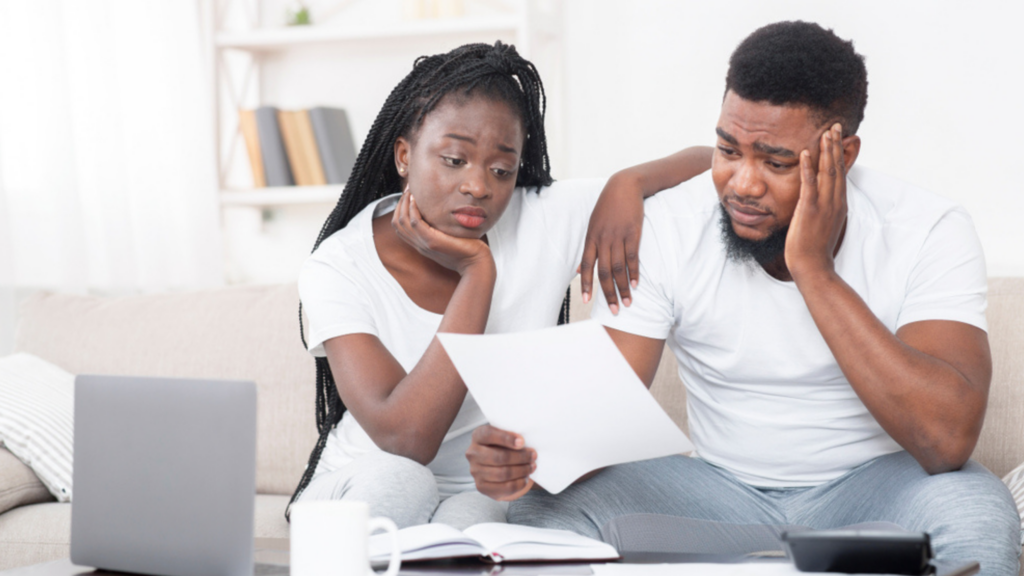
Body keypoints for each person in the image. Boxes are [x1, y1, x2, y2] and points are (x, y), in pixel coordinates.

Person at [464, 22, 1021, 574]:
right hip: (714, 494)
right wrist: (525, 457)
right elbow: (596, 410)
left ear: (843, 154)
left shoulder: (927, 229)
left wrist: (815, 271)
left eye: (776, 162)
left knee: (978, 512)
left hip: (877, 491)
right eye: (729, 150)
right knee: (545, 504)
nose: (743, 184)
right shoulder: (667, 226)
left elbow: (945, 440)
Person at [288, 41, 712, 529]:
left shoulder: (540, 219)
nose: (479, 186)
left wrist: (627, 183)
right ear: (404, 156)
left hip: (476, 487)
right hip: (364, 481)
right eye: (453, 160)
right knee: (403, 483)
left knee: (482, 519)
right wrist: (477, 275)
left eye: (501, 169)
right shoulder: (338, 266)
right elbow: (407, 440)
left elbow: (710, 165)